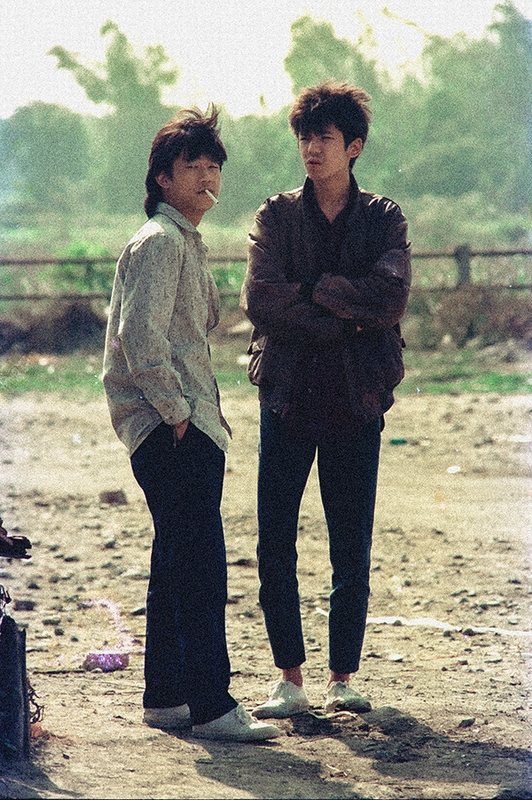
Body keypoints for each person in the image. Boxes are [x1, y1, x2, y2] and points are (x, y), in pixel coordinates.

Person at [103, 107, 279, 742]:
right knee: (201, 564)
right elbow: (139, 339)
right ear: (163, 178)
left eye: (214, 167)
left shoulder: (183, 241)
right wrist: (178, 416)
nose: (207, 177)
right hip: (169, 425)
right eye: (192, 167)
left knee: (174, 558)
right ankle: (212, 705)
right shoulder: (161, 242)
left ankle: (167, 696)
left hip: (183, 422)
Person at [240, 82, 411, 718]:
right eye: (305, 137)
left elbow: (391, 299)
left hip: (355, 396)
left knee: (351, 543)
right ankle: (289, 678)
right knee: (274, 542)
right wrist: (348, 313)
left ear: (354, 147)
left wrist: (316, 290)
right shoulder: (276, 216)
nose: (312, 148)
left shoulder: (384, 218)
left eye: (326, 138)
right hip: (287, 395)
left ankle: (343, 677)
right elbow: (261, 300)